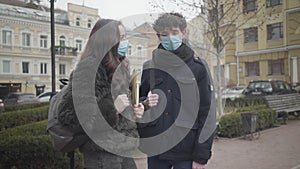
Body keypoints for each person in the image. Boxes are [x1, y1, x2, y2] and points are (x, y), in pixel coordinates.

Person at [57, 19, 144, 169]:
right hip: (102, 153)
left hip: (123, 148)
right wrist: (112, 109)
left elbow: (122, 106)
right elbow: (71, 117)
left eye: (125, 37)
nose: (126, 42)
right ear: (108, 42)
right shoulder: (88, 70)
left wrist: (137, 111)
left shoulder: (120, 67)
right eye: (121, 38)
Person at [137, 13, 215, 169]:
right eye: (165, 34)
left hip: (186, 152)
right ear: (159, 36)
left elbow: (207, 113)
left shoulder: (198, 68)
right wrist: (144, 104)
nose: (170, 38)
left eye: (174, 32)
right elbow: (139, 102)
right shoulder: (149, 67)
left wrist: (201, 156)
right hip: (156, 150)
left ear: (183, 33)